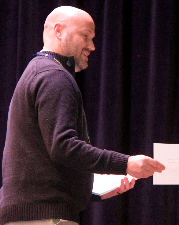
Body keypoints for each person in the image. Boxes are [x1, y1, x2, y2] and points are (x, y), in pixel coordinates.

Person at [0, 6, 165, 225]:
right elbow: (64, 147)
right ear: (58, 31)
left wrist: (94, 192)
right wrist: (126, 163)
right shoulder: (54, 76)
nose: (92, 46)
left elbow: (43, 159)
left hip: (35, 214)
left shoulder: (39, 71)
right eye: (85, 36)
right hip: (45, 217)